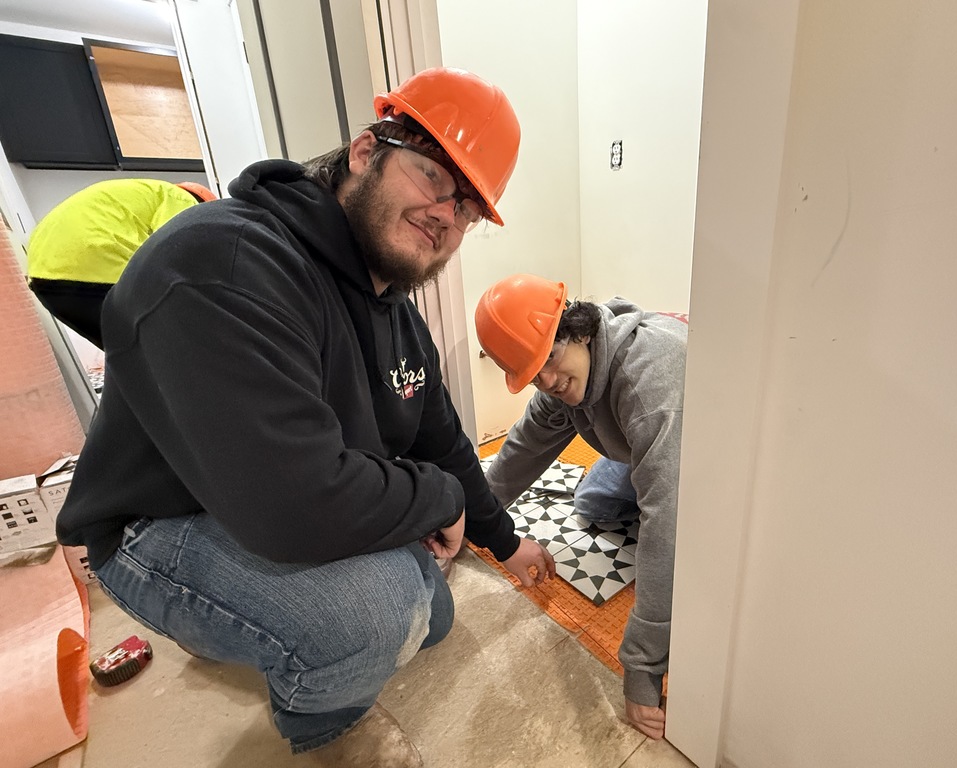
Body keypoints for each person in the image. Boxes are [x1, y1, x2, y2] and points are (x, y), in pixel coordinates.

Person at [56, 67, 555, 767]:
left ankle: (251, 623)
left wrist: (507, 544)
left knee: (432, 613)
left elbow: (442, 442)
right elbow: (295, 506)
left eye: (469, 207)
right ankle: (319, 724)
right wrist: (435, 502)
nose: (448, 213)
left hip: (266, 498)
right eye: (433, 177)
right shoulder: (224, 263)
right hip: (154, 525)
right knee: (379, 614)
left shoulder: (396, 316)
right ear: (365, 151)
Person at [475, 273, 687, 740]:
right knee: (592, 502)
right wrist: (474, 523)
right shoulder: (565, 381)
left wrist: (642, 670)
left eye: (550, 357)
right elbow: (521, 452)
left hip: (708, 460)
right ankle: (652, 472)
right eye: (533, 374)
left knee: (670, 525)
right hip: (649, 443)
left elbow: (665, 522)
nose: (548, 381)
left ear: (580, 330)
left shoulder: (647, 388)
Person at [25, 178, 217, 349]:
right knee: (169, 345)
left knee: (127, 356)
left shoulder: (142, 193)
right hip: (97, 264)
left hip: (45, 281)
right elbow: (182, 251)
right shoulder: (182, 199)